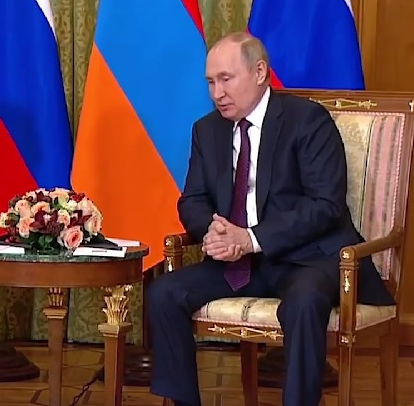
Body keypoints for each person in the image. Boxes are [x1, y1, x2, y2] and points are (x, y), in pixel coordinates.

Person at [146, 32, 394, 406]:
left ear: (260, 72)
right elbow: (192, 200)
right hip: (240, 264)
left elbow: (325, 205)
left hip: (309, 258)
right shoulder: (207, 130)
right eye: (211, 82)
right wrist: (214, 231)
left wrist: (250, 238)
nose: (217, 93)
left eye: (226, 79)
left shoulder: (307, 120)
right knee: (164, 293)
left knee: (304, 303)